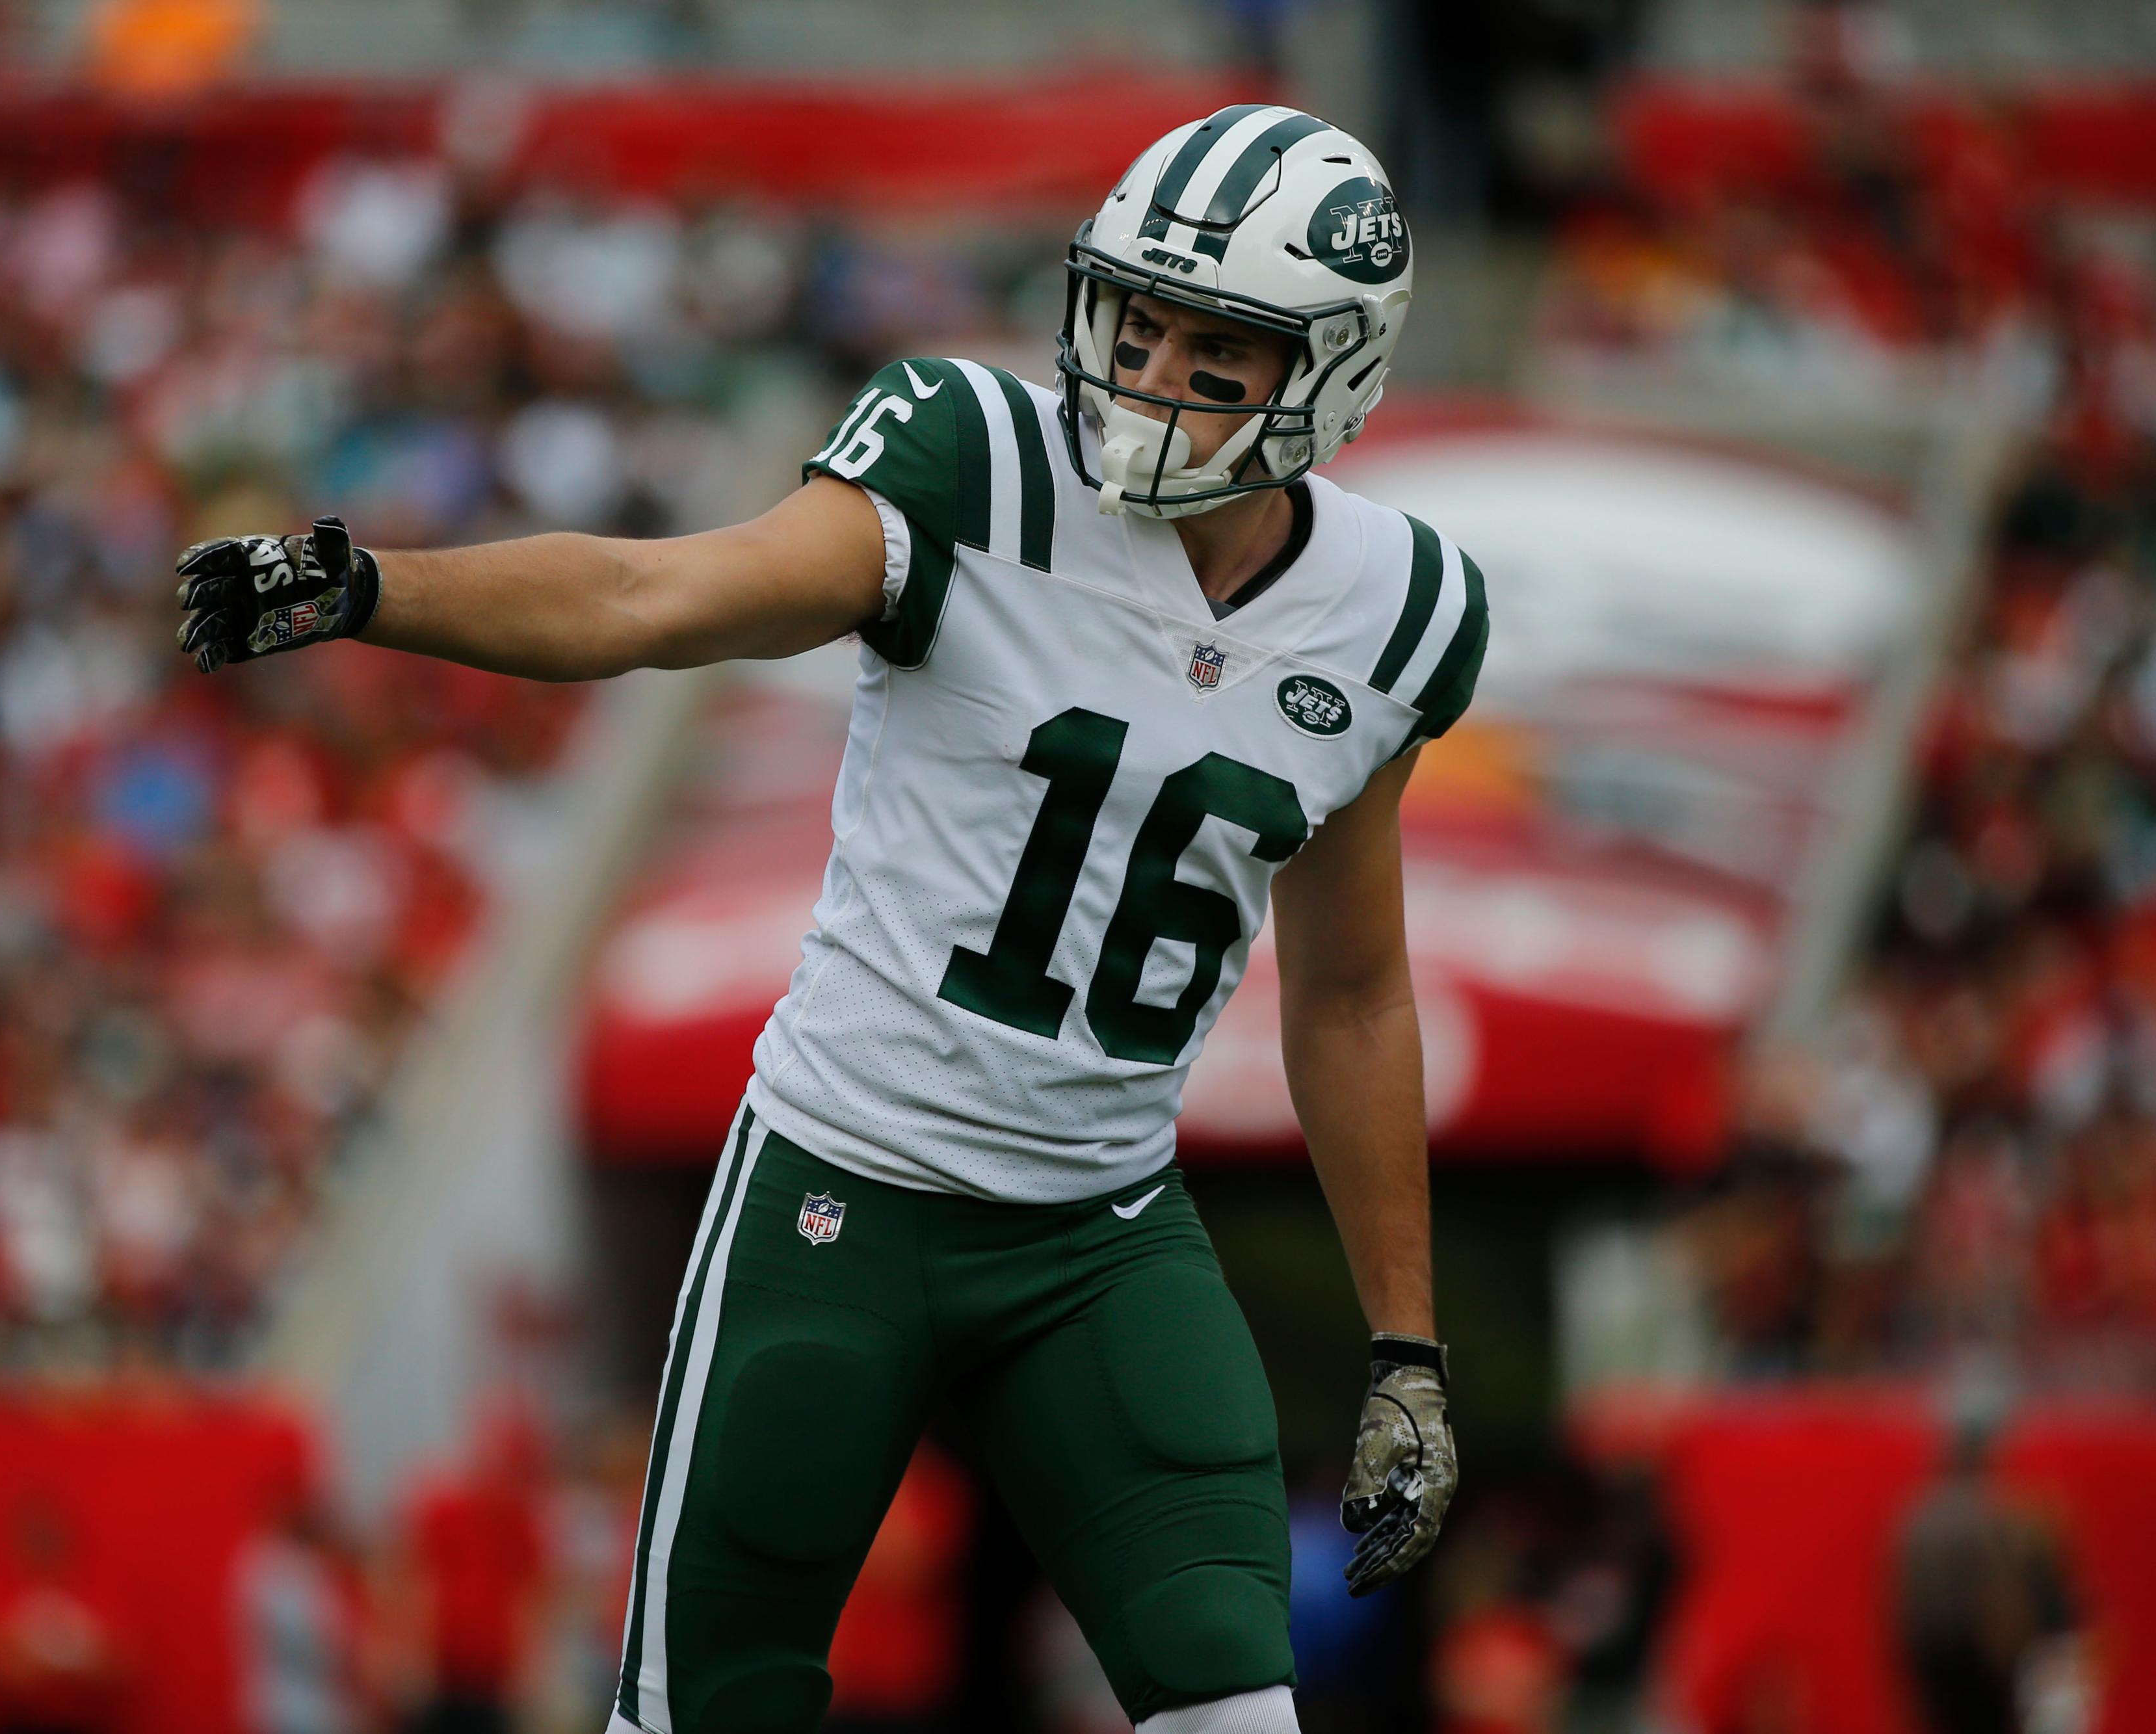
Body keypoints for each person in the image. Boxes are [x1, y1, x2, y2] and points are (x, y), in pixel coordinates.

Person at [174, 103, 1484, 1734]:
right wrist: (373, 585)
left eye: (1210, 347)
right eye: (1132, 321)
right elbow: (657, 597)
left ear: (1334, 371)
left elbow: (1352, 991)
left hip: (1096, 1231)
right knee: (700, 1709)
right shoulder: (972, 460)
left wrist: (1407, 1341)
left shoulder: (1402, 609)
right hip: (844, 1194)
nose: (1144, 371)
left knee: (1238, 1708)